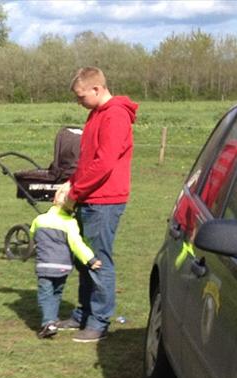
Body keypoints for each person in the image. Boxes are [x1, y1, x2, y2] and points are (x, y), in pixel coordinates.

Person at [59, 67, 138, 343]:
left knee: (98, 261)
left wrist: (75, 192)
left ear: (97, 89)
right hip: (89, 196)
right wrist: (71, 183)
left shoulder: (115, 116)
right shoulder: (96, 115)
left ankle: (99, 322)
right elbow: (88, 159)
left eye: (81, 96)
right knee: (84, 259)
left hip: (104, 201)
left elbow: (104, 164)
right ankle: (83, 314)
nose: (78, 102)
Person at [30, 184, 101, 339]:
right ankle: (53, 319)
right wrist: (90, 259)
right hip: (63, 267)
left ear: (54, 199)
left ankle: (48, 322)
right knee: (56, 292)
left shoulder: (39, 220)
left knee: (45, 293)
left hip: (44, 265)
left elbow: (32, 235)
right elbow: (77, 244)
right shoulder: (70, 223)